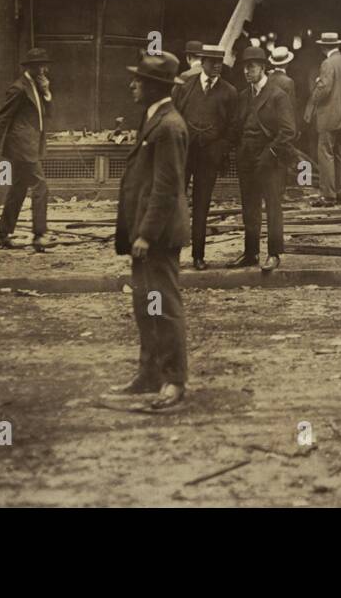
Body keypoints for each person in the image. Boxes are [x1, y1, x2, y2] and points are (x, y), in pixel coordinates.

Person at [105, 52, 190, 411]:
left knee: (164, 306)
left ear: (156, 86)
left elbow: (166, 187)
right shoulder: (154, 118)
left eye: (139, 80)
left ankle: (174, 381)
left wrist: (146, 234)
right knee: (145, 305)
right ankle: (149, 374)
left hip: (157, 236)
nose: (133, 84)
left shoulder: (169, 126)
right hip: (145, 233)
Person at [173, 44, 240, 270]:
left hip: (210, 156)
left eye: (220, 62)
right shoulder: (185, 87)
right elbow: (174, 116)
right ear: (202, 63)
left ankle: (198, 256)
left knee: (202, 207)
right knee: (176, 203)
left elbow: (233, 127)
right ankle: (171, 254)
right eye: (213, 62)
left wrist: (221, 147)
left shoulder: (229, 92)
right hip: (185, 154)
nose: (217, 67)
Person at [0, 47, 58, 253]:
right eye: (41, 66)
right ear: (31, 67)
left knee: (17, 189)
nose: (44, 70)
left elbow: (48, 114)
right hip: (21, 145)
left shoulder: (37, 85)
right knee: (41, 186)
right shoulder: (18, 88)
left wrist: (47, 92)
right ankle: (40, 235)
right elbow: (2, 117)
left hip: (31, 144)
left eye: (45, 65)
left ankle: (3, 236)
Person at [232, 46, 296, 273]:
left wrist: (269, 154)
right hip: (247, 159)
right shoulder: (243, 96)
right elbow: (237, 127)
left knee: (272, 206)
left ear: (263, 68)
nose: (247, 71)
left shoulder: (278, 95)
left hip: (270, 160)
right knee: (249, 207)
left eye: (252, 67)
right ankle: (251, 252)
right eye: (245, 67)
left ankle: (274, 253)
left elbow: (289, 131)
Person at [308, 32, 341, 205]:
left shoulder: (328, 63)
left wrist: (314, 92)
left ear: (323, 47)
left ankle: (328, 195)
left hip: (329, 116)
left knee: (326, 153)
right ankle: (340, 192)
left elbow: (324, 89)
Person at [266, 46, 298, 119]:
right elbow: (291, 107)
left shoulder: (268, 78)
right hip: (282, 120)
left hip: (269, 119)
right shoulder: (288, 81)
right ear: (287, 63)